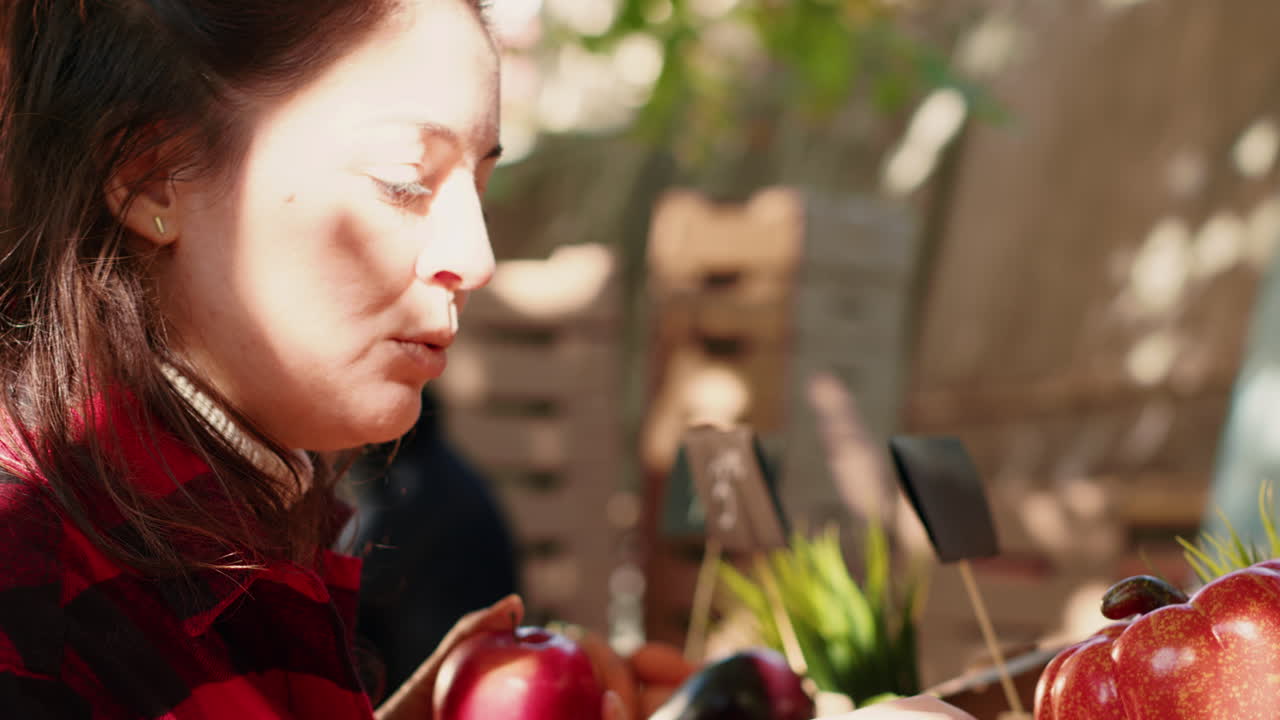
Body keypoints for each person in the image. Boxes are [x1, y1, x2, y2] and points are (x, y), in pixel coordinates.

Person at [0, 1, 977, 718]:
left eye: (477, 182)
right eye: (401, 180)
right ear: (151, 176)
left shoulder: (223, 519)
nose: (475, 257)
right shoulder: (32, 584)